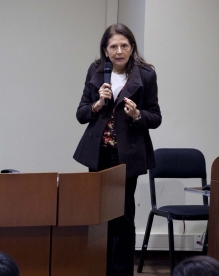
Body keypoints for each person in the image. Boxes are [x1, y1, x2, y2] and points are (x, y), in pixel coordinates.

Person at [73, 23, 162, 276]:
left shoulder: (145, 75)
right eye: (114, 46)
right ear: (105, 49)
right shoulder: (96, 71)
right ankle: (96, 268)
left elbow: (155, 117)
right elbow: (81, 114)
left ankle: (120, 271)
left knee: (122, 217)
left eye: (124, 45)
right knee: (97, 214)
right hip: (98, 153)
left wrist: (137, 115)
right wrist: (99, 103)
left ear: (132, 47)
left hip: (127, 156)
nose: (119, 50)